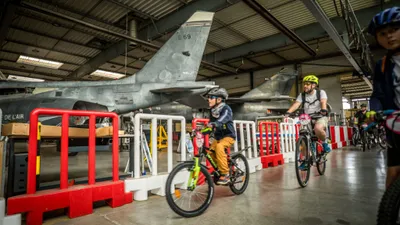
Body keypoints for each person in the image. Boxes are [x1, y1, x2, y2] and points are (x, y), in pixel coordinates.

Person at [367, 6, 400, 188]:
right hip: (396, 122)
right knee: (393, 171)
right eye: (383, 33)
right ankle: (390, 213)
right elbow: (377, 94)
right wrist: (375, 111)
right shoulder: (382, 65)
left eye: (394, 30)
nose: (389, 36)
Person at [285, 75, 330, 169]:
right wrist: (288, 112)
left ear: (314, 85)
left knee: (318, 129)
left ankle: (325, 143)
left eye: (307, 84)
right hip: (307, 118)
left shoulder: (320, 92)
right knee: (303, 138)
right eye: (304, 84)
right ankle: (306, 160)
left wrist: (324, 109)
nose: (305, 86)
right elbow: (296, 104)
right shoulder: (302, 95)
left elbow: (323, 102)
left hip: (320, 115)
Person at [204, 87, 236, 185]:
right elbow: (210, 124)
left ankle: (225, 174)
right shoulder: (213, 111)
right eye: (208, 97)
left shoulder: (226, 109)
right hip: (218, 137)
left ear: (219, 99)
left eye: (211, 97)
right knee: (209, 152)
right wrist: (201, 131)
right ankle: (219, 169)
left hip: (228, 136)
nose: (208, 99)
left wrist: (215, 124)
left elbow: (223, 119)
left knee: (219, 147)